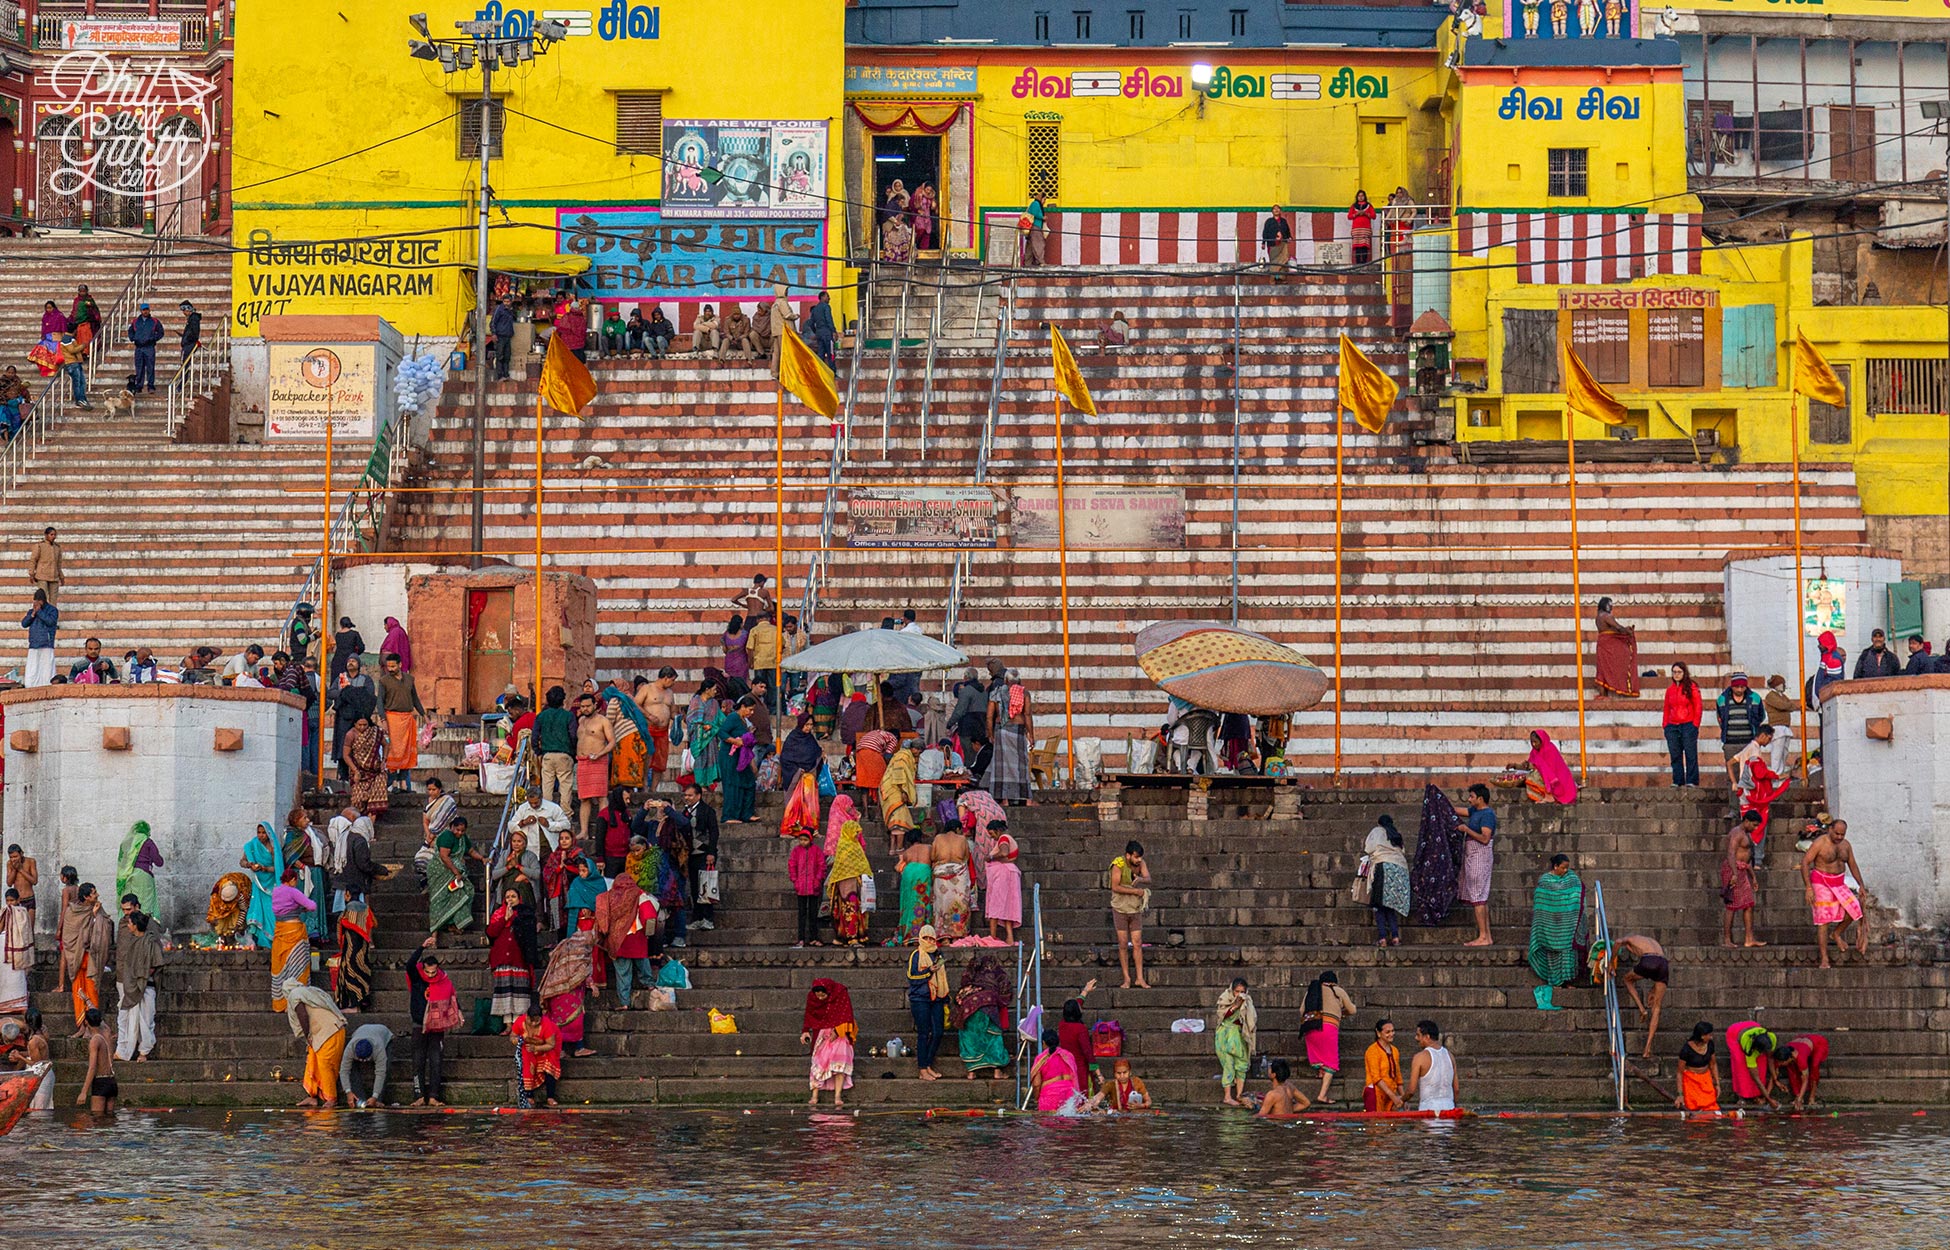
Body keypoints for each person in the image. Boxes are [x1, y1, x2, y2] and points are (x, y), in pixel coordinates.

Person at [1804, 818, 1866, 969]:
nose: (1839, 837)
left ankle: (1837, 933)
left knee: (1855, 909)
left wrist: (1861, 885)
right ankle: (1824, 959)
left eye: (1842, 834)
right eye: (1836, 833)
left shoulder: (1846, 845)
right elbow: (1805, 862)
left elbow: (1852, 864)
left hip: (1838, 882)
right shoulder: (1820, 843)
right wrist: (1808, 888)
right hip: (1821, 881)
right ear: (1830, 829)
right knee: (1823, 920)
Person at [1526, 854, 1583, 1011]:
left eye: (1567, 867)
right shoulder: (1545, 881)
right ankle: (1556, 981)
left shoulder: (1572, 878)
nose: (1566, 870)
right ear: (1555, 866)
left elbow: (1577, 893)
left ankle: (1568, 982)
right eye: (1563, 867)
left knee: (1568, 952)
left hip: (1568, 923)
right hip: (1550, 922)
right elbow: (1541, 899)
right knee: (1553, 953)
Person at [595, 861, 657, 1007]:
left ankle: (624, 1003)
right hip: (636, 937)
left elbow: (602, 916)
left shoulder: (609, 896)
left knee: (623, 974)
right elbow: (649, 913)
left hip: (617, 940)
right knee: (643, 963)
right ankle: (649, 985)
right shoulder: (639, 893)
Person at [285, 981, 348, 1108]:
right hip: (323, 1033)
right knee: (312, 1061)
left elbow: (302, 1014)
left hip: (331, 1032)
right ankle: (312, 1096)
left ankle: (331, 1098)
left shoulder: (295, 994)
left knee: (325, 1064)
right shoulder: (310, 992)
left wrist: (307, 1035)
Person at [58, 883, 113, 1029]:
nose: (97, 895)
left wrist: (96, 917)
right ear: (86, 897)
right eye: (94, 893)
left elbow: (104, 929)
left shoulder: (97, 908)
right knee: (78, 993)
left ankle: (93, 1027)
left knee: (92, 992)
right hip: (76, 959)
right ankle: (82, 1026)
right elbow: (69, 937)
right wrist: (93, 917)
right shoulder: (72, 911)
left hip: (91, 960)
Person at [407, 944, 455, 1106]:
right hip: (418, 1024)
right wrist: (421, 947)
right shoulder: (417, 978)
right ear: (423, 969)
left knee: (436, 1060)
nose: (430, 975)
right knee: (418, 1060)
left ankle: (434, 1096)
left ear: (438, 969)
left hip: (437, 1025)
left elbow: (452, 999)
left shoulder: (444, 980)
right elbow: (409, 964)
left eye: (433, 972)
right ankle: (419, 1095)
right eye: (427, 971)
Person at [1299, 970, 1356, 1104]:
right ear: (1334, 982)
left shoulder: (1312, 991)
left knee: (1318, 1054)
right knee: (1331, 1062)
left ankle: (1320, 1071)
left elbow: (1302, 1011)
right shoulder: (1337, 990)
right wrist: (1341, 1013)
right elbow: (1353, 1010)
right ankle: (1322, 1095)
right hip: (1328, 1028)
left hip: (1310, 1027)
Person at [113, 909, 162, 1062]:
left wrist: (142, 974)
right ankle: (123, 1051)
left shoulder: (150, 942)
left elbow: (156, 964)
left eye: (129, 923)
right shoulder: (132, 941)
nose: (128, 925)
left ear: (134, 925)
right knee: (124, 1018)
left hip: (146, 987)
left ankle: (144, 1053)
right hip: (131, 988)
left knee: (146, 1020)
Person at [824, 795, 872, 946]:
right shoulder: (846, 847)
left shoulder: (852, 845)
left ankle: (842, 937)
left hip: (853, 886)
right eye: (856, 832)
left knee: (850, 910)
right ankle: (851, 938)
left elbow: (862, 865)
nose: (858, 834)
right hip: (847, 886)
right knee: (849, 910)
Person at [984, 661, 1034, 805]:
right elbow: (1028, 716)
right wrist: (1031, 735)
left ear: (1005, 680)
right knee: (1021, 764)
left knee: (1002, 766)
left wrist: (990, 734)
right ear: (1018, 681)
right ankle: (1027, 799)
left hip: (1001, 731)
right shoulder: (1024, 693)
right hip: (1018, 731)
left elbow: (989, 717)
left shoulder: (996, 692)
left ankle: (1004, 799)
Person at [801, 977, 856, 1106]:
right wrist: (805, 1031)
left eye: (823, 995)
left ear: (829, 992)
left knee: (839, 1063)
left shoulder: (840, 993)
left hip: (840, 1032)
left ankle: (838, 1096)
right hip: (821, 1032)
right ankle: (814, 1095)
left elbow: (846, 1014)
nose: (820, 998)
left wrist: (837, 1031)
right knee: (818, 1062)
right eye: (818, 996)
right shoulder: (812, 997)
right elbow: (809, 1014)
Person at [905, 924, 950, 1081]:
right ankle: (922, 1069)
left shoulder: (938, 954)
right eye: (926, 938)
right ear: (920, 939)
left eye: (932, 938)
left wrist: (945, 998)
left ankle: (928, 1064)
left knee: (938, 1032)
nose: (929, 941)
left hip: (936, 998)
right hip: (920, 999)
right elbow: (912, 978)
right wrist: (928, 972)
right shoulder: (916, 955)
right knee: (924, 1033)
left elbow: (942, 978)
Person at [1453, 784, 1497, 946]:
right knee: (1481, 898)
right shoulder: (1475, 811)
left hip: (1480, 856)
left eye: (1471, 796)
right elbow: (1458, 811)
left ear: (1480, 798)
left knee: (1478, 897)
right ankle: (1487, 936)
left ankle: (1483, 936)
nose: (1469, 799)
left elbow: (1485, 838)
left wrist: (1466, 829)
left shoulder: (1487, 815)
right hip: (1473, 856)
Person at [269, 865, 316, 1012]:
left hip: (280, 930)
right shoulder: (293, 891)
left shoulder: (276, 891)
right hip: (294, 932)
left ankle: (280, 1003)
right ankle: (297, 1001)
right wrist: (302, 907)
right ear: (293, 880)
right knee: (297, 966)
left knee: (282, 965)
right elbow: (312, 905)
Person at [1614, 933, 1669, 1058]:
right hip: (1663, 964)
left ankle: (1642, 1009)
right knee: (1657, 1007)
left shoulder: (1630, 939)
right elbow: (1657, 971)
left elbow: (1617, 941)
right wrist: (1652, 990)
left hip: (1649, 960)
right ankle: (1647, 1049)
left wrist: (1611, 962)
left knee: (1627, 979)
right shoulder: (1652, 941)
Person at [573, 690, 616, 844]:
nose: (585, 709)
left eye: (588, 706)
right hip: (583, 761)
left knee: (602, 796)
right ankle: (584, 831)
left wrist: (600, 754)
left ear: (594, 705)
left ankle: (603, 830)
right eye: (582, 706)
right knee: (584, 798)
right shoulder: (580, 721)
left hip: (598, 761)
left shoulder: (603, 721)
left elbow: (612, 742)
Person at [428, 814, 483, 935]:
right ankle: (439, 928)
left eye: (462, 831)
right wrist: (456, 872)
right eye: (457, 830)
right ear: (451, 827)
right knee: (441, 898)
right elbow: (444, 856)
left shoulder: (463, 838)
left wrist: (482, 859)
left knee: (467, 891)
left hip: (455, 873)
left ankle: (455, 923)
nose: (459, 833)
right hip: (441, 870)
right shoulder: (447, 836)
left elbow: (471, 851)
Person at [1109, 840, 1152, 989]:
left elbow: (1148, 878)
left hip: (1134, 908)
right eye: (1136, 857)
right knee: (1122, 944)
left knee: (1137, 943)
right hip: (1120, 908)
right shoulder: (1118, 865)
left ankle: (1139, 978)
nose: (1138, 860)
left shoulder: (1141, 863)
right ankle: (1127, 978)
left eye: (1140, 857)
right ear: (1128, 856)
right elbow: (1115, 887)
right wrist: (1135, 891)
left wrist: (1140, 879)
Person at [1364, 815, 1411, 946]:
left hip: (1383, 867)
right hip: (1400, 869)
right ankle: (1395, 937)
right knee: (1390, 906)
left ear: (1379, 823)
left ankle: (1383, 938)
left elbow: (1368, 848)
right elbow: (1403, 850)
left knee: (1378, 905)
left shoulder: (1377, 831)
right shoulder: (1396, 834)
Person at [930, 814, 976, 941]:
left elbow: (933, 857)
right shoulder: (962, 839)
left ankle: (943, 936)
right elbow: (966, 857)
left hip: (941, 874)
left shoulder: (938, 838)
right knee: (958, 905)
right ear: (957, 829)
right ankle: (958, 935)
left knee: (942, 905)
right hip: (959, 876)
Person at [1214, 977, 1257, 1106]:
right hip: (1225, 1036)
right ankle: (1227, 1097)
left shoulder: (1248, 1001)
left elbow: (1251, 1019)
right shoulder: (1225, 998)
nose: (1239, 994)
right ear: (1232, 990)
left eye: (1242, 991)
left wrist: (1243, 1007)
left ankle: (1239, 1095)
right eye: (1236, 991)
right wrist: (1235, 1007)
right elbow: (1222, 1016)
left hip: (1239, 1036)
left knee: (1241, 1065)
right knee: (1229, 1064)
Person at [534, 686, 577, 809]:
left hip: (547, 754)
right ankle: (566, 815)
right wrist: (573, 752)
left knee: (547, 786)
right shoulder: (569, 716)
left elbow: (535, 737)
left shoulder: (541, 716)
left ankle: (547, 814)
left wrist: (538, 751)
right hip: (565, 754)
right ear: (563, 700)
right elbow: (573, 735)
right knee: (565, 787)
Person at [514, 1001, 564, 1107]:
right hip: (528, 1047)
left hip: (547, 1048)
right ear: (526, 1016)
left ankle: (550, 1097)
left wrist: (536, 1048)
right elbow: (513, 1035)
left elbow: (551, 1044)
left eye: (536, 1021)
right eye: (531, 1021)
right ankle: (529, 1095)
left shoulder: (547, 1025)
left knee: (550, 1063)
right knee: (527, 1061)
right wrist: (516, 1040)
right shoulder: (520, 1021)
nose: (533, 1024)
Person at [1662, 663, 1702, 787]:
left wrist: (1695, 724)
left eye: (1679, 672)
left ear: (1684, 673)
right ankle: (1677, 780)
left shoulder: (1692, 687)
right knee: (1675, 754)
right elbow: (1666, 708)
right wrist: (1665, 725)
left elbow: (1698, 706)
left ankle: (1692, 780)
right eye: (1674, 672)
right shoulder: (1670, 690)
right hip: (1672, 725)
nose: (1676, 674)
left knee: (1690, 754)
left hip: (1688, 724)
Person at [1715, 673, 1765, 772]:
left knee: (1751, 773)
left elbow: (1761, 716)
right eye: (1736, 687)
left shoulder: (1755, 698)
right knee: (1732, 772)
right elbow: (1720, 718)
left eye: (1742, 687)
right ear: (1732, 686)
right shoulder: (1722, 699)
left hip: (1749, 742)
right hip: (1730, 743)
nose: (1739, 690)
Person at [1405, 1019, 1458, 1112]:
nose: (1416, 1038)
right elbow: (1456, 1090)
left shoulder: (1419, 1058)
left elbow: (1411, 1091)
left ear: (1427, 1037)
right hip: (1449, 1110)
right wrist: (1454, 1107)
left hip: (1428, 1111)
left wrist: (1400, 1100)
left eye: (1418, 1035)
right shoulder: (1451, 1056)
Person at [1721, 836, 1763, 948]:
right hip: (1733, 870)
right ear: (1747, 822)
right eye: (1754, 825)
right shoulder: (1736, 834)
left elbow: (1746, 863)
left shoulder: (1747, 834)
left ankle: (1749, 939)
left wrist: (1753, 877)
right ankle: (1727, 939)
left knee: (1749, 904)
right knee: (1731, 905)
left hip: (1743, 871)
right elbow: (1730, 855)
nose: (1756, 827)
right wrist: (1734, 873)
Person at [115, 821, 162, 920]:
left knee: (128, 904)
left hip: (127, 877)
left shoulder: (126, 843)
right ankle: (144, 929)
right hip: (143, 876)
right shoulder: (147, 841)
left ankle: (125, 928)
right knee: (145, 905)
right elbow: (159, 862)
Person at [983, 825, 1023, 943]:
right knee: (1009, 906)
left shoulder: (1004, 838)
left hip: (1003, 874)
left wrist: (990, 857)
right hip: (1010, 873)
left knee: (995, 904)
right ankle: (1009, 937)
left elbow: (1004, 852)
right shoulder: (1009, 839)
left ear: (998, 830)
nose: (991, 836)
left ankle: (993, 936)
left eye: (992, 833)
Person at [339, 1022, 394, 1107]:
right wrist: (348, 1091)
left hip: (384, 1034)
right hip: (361, 1030)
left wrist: (375, 1096)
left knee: (386, 1067)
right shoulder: (350, 1049)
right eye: (360, 1059)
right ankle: (359, 1099)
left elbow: (380, 1073)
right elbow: (344, 1071)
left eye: (366, 1059)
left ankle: (378, 1100)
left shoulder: (379, 1049)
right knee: (352, 1069)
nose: (363, 1062)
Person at [1592, 596, 1639, 696]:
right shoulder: (1606, 616)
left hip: (1601, 643)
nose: (1611, 607)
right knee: (1614, 664)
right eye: (1610, 605)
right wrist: (1627, 631)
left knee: (1602, 668)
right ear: (1604, 605)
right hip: (1609, 644)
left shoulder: (1598, 617)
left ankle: (1603, 694)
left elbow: (1610, 629)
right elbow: (1617, 627)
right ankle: (1621, 685)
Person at [1725, 1020, 1778, 1106]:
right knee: (1741, 1065)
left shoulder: (1772, 1038)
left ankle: (1756, 1095)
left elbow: (1770, 1058)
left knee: (1762, 1064)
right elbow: (1756, 1078)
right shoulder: (1749, 1048)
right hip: (1735, 1033)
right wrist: (1769, 1099)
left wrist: (1775, 1078)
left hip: (1753, 1026)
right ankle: (1741, 1096)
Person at [638, 666, 679, 778]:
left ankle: (653, 789)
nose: (673, 683)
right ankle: (645, 784)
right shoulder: (647, 688)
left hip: (663, 731)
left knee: (660, 761)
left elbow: (673, 711)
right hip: (648, 729)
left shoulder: (670, 693)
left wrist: (677, 718)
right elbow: (636, 704)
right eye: (673, 680)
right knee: (647, 757)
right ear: (666, 678)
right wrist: (649, 716)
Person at [788, 826, 825, 947]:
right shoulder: (796, 851)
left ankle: (814, 937)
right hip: (801, 887)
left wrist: (817, 879)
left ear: (810, 840)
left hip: (814, 887)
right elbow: (792, 865)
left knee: (813, 914)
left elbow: (821, 866)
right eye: (801, 840)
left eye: (805, 840)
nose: (803, 842)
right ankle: (801, 938)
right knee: (802, 914)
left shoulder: (817, 851)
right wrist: (795, 880)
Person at [1519, 730, 1578, 805]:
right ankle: (1544, 795)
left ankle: (1550, 795)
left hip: (1559, 780)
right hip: (1547, 779)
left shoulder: (1550, 749)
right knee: (1529, 775)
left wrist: (1537, 768)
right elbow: (1533, 765)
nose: (1533, 745)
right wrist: (1517, 765)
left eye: (1535, 742)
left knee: (1536, 775)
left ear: (1542, 741)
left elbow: (1549, 770)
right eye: (1531, 742)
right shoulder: (1534, 752)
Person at [1675, 1021, 1721, 1113]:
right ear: (1702, 1036)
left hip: (1705, 1079)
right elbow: (1680, 1073)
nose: (1711, 1037)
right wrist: (1680, 1094)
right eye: (1709, 1035)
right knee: (1693, 1108)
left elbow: (1713, 1064)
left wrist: (1717, 1084)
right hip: (1691, 1081)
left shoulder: (1710, 1044)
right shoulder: (1686, 1049)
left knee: (1711, 1107)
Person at [76, 1007, 115, 1112]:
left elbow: (92, 1067)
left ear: (86, 1022)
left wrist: (83, 1092)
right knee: (110, 1121)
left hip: (100, 1082)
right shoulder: (107, 1034)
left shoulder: (95, 1040)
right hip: (112, 1081)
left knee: (97, 1120)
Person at [1777, 1033, 1829, 1110]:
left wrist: (1800, 1099)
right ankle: (1797, 1095)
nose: (1780, 1064)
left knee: (1814, 1066)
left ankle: (1812, 1097)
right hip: (1803, 1041)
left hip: (1818, 1043)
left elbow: (1805, 1079)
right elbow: (1792, 1075)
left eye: (1781, 1062)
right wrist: (1798, 1096)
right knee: (1791, 1070)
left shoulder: (1800, 1058)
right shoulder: (1786, 1051)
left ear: (1789, 1058)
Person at [1364, 1019, 1406, 1112]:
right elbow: (1376, 1078)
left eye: (1392, 1031)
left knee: (1391, 1124)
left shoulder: (1395, 1050)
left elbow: (1398, 1076)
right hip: (1375, 1093)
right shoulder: (1372, 1051)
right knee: (1375, 1125)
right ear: (1378, 1033)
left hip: (1391, 1093)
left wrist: (1404, 1099)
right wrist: (1393, 1096)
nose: (1391, 1034)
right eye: (1387, 1032)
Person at [1, 888, 30, 1017]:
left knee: (17, 977)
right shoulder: (4, 911)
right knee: (5, 976)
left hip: (18, 949)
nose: (10, 903)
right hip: (4, 947)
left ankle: (20, 1004)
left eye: (12, 900)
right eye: (7, 901)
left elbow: (25, 932)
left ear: (18, 900)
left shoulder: (23, 912)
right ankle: (4, 1004)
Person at [20, 588, 57, 687]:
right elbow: (24, 624)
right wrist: (33, 614)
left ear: (43, 600)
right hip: (34, 644)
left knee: (46, 670)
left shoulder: (52, 610)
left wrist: (40, 612)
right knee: (32, 670)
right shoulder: (31, 611)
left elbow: (50, 622)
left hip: (46, 644)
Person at [5, 845, 38, 954]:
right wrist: (15, 869)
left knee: (29, 930)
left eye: (15, 856)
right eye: (11, 857)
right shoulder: (9, 864)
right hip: (17, 901)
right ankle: (18, 956)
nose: (13, 859)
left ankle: (30, 957)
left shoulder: (31, 862)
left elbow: (34, 880)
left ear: (21, 854)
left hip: (29, 899)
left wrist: (20, 869)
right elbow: (9, 883)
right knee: (17, 930)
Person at [127, 302, 164, 391]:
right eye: (144, 310)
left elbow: (161, 332)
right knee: (139, 367)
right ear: (141, 311)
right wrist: (133, 338)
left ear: (149, 310)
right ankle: (139, 385)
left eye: (147, 310)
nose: (145, 312)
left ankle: (150, 385)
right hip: (139, 347)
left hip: (149, 347)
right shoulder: (136, 321)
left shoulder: (154, 321)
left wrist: (153, 339)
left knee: (150, 367)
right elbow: (130, 331)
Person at [28, 526, 63, 604]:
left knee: (53, 601)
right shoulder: (40, 546)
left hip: (54, 577)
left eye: (55, 535)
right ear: (46, 535)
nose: (53, 537)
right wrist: (31, 573)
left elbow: (59, 564)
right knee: (42, 599)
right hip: (42, 576)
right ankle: (42, 616)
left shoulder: (57, 547)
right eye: (51, 534)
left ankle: (52, 616)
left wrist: (61, 576)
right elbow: (33, 560)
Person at [806, 291, 838, 366]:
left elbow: (811, 323)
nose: (829, 298)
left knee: (821, 354)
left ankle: (822, 373)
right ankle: (832, 372)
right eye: (827, 296)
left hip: (819, 334)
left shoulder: (815, 309)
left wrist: (816, 331)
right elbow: (829, 319)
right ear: (822, 297)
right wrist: (833, 331)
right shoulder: (826, 307)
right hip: (827, 333)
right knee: (831, 353)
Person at [489, 296, 516, 380]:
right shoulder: (499, 309)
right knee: (500, 356)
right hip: (500, 336)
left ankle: (506, 375)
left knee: (507, 357)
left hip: (508, 336)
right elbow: (493, 322)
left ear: (511, 301)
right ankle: (500, 376)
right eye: (505, 302)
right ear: (503, 301)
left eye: (508, 302)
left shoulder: (510, 311)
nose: (507, 304)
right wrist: (494, 333)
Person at [1348, 190, 1378, 265]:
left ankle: (1364, 262)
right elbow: (1349, 216)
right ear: (1357, 197)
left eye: (1362, 196)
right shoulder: (1353, 206)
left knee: (1364, 246)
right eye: (1359, 196)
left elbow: (1374, 216)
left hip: (1365, 229)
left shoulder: (1369, 206)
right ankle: (1358, 263)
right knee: (1357, 247)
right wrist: (1356, 214)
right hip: (1356, 230)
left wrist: (1366, 214)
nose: (1361, 197)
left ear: (1365, 197)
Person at [1261, 204, 1293, 269]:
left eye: (1278, 209)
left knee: (1283, 259)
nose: (1276, 210)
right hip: (1272, 244)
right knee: (1274, 260)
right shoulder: (1269, 221)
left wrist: (1289, 237)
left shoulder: (1283, 221)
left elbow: (1287, 231)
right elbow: (1265, 232)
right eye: (1274, 209)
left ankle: (1281, 277)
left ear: (1280, 211)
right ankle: (1274, 276)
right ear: (1272, 211)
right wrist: (1263, 243)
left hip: (1283, 244)